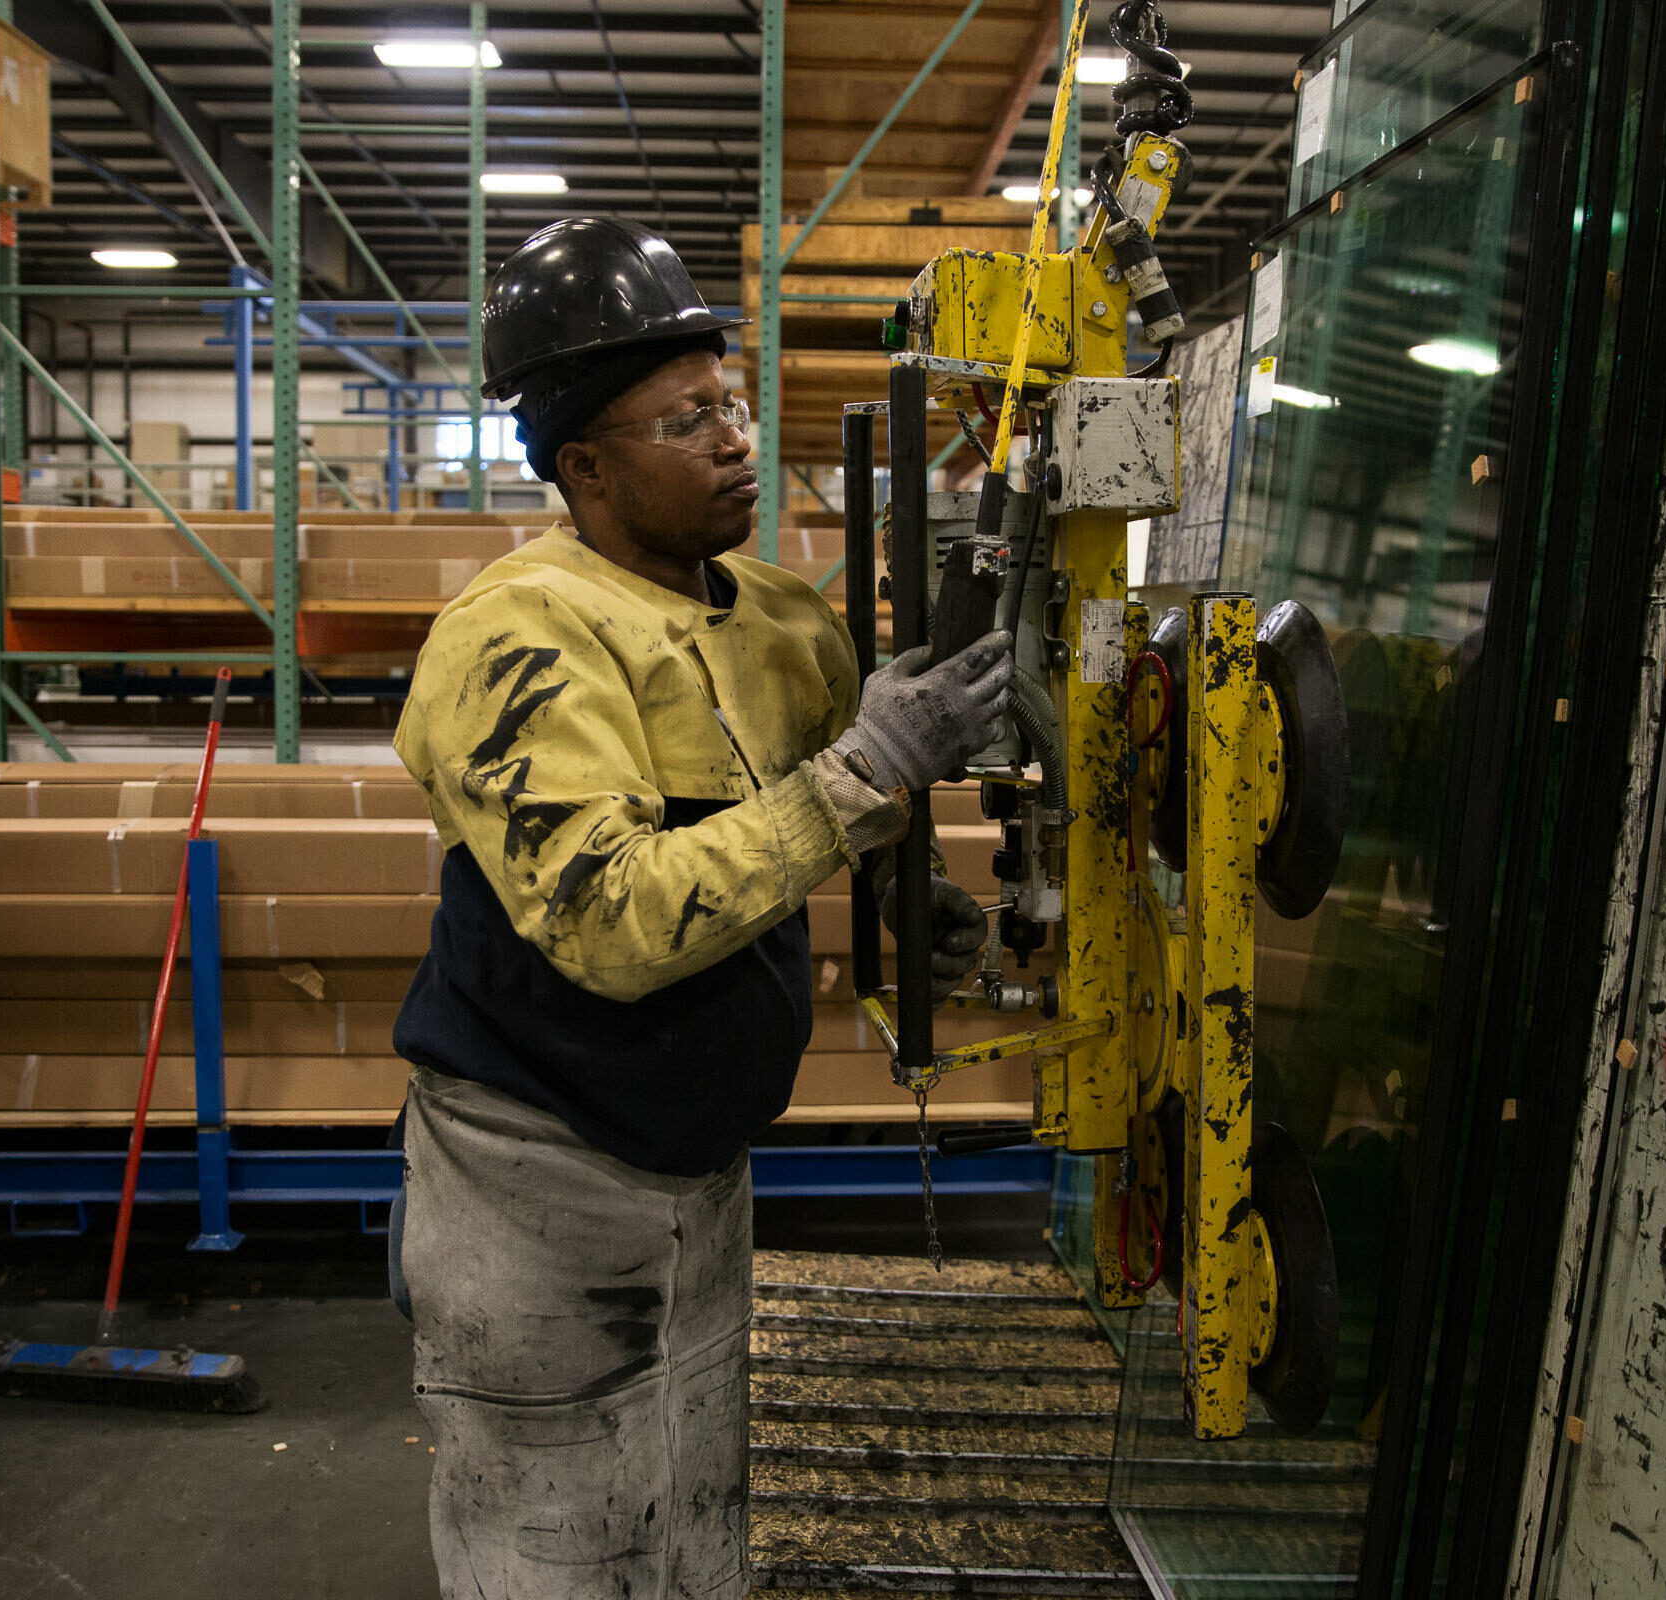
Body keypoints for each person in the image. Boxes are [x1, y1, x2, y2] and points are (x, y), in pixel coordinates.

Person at [387, 216, 1009, 1600]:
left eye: (725, 402)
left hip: (695, 1181)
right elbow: (613, 921)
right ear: (586, 466)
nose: (732, 439)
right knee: (557, 1546)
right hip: (538, 1193)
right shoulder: (519, 641)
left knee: (688, 1527)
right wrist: (864, 785)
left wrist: (916, 893)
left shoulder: (777, 617)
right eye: (685, 420)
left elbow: (833, 804)